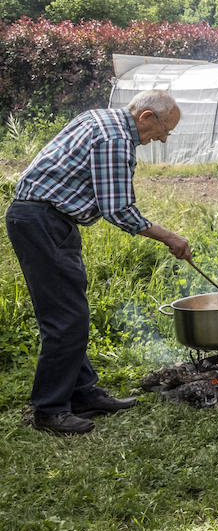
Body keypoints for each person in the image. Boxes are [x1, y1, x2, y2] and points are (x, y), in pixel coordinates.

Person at [6, 90, 192, 435]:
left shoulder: (99, 119)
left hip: (47, 220)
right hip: (42, 221)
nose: (162, 139)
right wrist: (171, 238)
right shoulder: (114, 137)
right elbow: (118, 208)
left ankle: (82, 392)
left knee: (71, 311)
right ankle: (49, 409)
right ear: (146, 117)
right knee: (66, 318)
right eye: (164, 130)